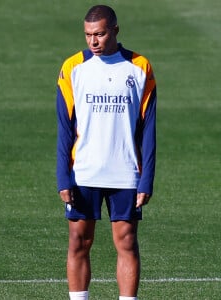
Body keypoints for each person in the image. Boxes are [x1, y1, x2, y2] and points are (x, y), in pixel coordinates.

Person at [56, 5, 157, 300]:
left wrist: (146, 179)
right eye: (88, 35)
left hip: (125, 171)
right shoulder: (72, 68)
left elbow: (148, 129)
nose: (93, 42)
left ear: (115, 30)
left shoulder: (140, 67)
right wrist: (63, 176)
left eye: (99, 34)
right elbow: (64, 128)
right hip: (84, 170)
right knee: (78, 241)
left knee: (126, 242)